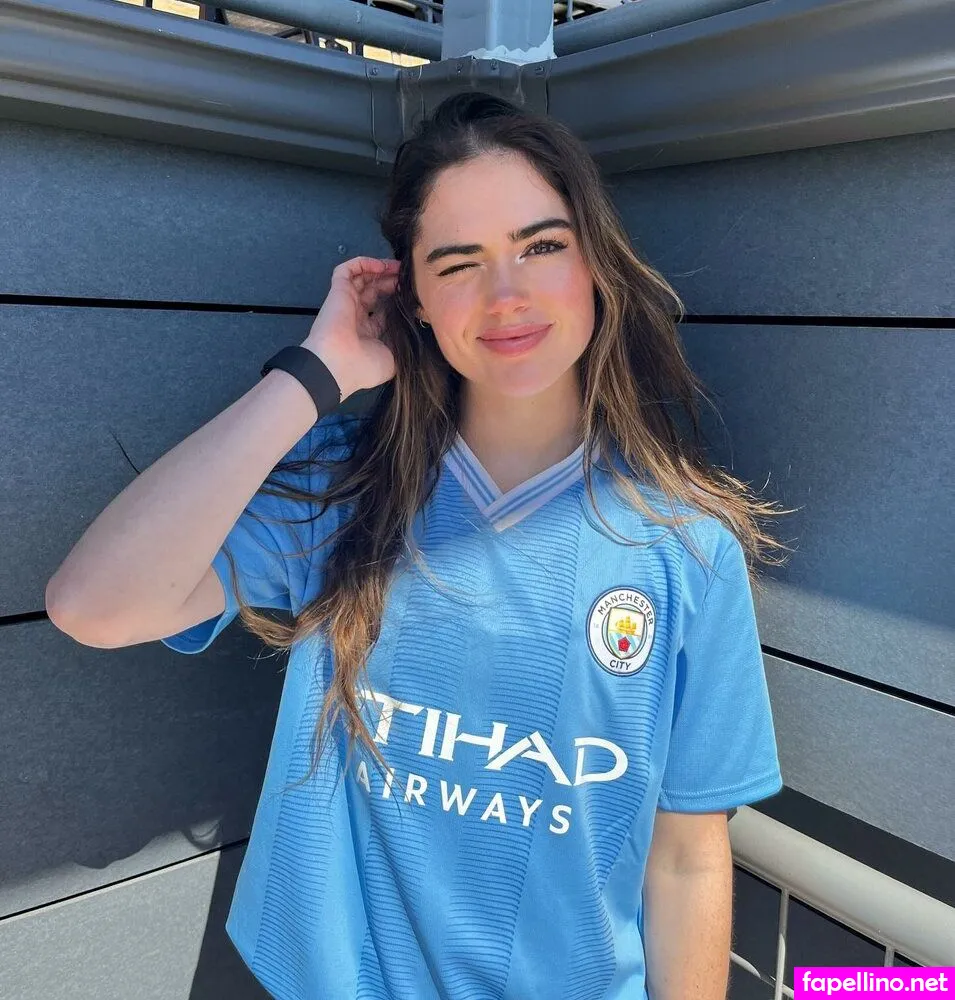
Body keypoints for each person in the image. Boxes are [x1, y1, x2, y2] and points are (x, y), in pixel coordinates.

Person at [46, 91, 792, 1000]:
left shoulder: (689, 546)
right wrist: (317, 374)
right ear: (416, 299)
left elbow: (685, 857)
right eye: (458, 262)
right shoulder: (343, 487)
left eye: (541, 246)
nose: (506, 294)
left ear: (595, 263)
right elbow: (94, 605)